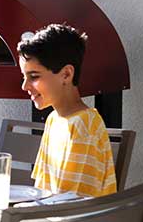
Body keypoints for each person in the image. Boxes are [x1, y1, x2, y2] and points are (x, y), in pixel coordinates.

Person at [18, 24, 117, 197]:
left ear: (66, 74)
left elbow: (72, 206)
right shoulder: (53, 119)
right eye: (24, 77)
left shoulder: (84, 126)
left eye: (34, 76)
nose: (24, 86)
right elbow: (42, 191)